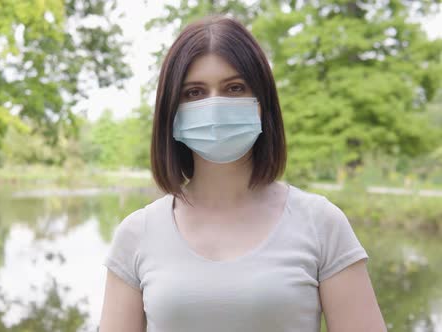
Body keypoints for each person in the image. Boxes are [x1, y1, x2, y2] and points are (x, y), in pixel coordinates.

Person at [99, 14, 386, 332]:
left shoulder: (321, 224)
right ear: (172, 112)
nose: (216, 106)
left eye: (234, 88)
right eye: (194, 92)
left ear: (263, 104)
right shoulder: (137, 234)